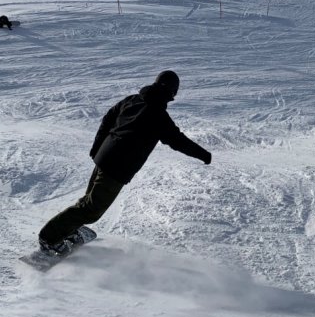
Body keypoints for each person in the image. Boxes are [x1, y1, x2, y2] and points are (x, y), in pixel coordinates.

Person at [38, 70, 212, 254]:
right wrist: (204, 155)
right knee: (92, 209)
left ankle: (67, 229)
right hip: (117, 168)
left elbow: (108, 119)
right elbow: (178, 141)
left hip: (104, 157)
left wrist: (98, 147)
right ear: (173, 91)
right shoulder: (159, 116)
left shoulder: (132, 100)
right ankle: (49, 238)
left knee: (88, 201)